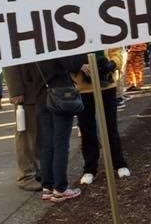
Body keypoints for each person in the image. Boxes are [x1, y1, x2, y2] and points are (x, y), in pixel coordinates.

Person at [74, 50, 130, 186]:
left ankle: (119, 163)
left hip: (106, 85)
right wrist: (79, 65)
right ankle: (89, 169)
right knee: (87, 129)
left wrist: (112, 64)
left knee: (110, 126)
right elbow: (67, 56)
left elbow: (118, 51)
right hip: (83, 88)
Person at [35, 55, 84, 202]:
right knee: (60, 143)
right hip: (60, 93)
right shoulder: (55, 42)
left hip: (40, 93)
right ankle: (60, 187)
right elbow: (73, 64)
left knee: (47, 144)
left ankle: (48, 186)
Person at [4, 61, 43, 191]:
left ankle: (36, 171)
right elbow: (9, 61)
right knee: (25, 135)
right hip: (26, 90)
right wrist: (15, 90)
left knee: (35, 133)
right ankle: (26, 176)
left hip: (35, 87)